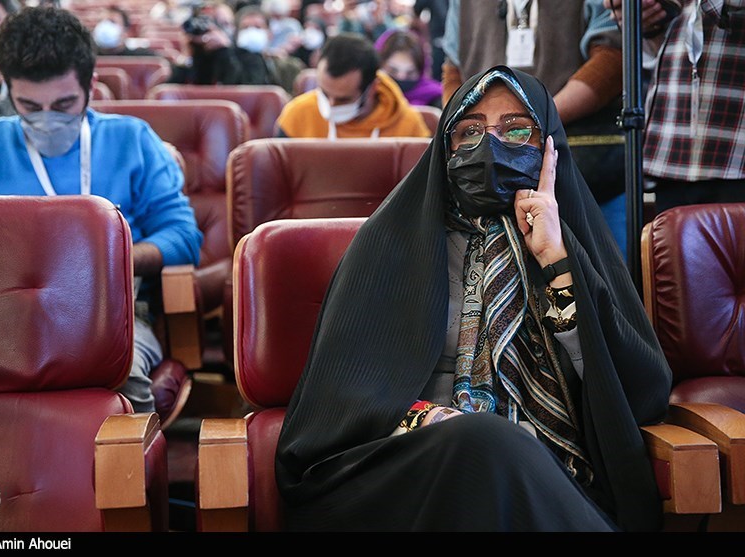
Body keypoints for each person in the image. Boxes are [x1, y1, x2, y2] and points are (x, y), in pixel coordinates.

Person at [274, 65, 673, 532]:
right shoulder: (391, 246)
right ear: (445, 149)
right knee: (484, 441)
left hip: (551, 473)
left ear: (550, 150)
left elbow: (639, 394)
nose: (489, 146)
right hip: (405, 465)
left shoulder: (572, 250)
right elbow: (339, 403)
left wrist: (556, 261)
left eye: (516, 129)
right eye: (469, 131)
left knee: (500, 454)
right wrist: (433, 421)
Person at [0, 6, 203, 414]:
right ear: (6, 88)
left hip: (108, 315)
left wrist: (107, 261)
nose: (47, 119)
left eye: (64, 104)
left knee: (114, 379)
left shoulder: (131, 139)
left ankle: (126, 472)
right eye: (29, 105)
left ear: (90, 86)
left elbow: (184, 237)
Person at [440, 0, 629, 256]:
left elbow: (613, 55)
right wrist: (476, 127)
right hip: (483, 173)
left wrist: (537, 121)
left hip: (584, 166)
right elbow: (453, 69)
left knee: (598, 271)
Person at [605, 0, 745, 214]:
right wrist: (649, 22)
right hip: (672, 149)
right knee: (669, 245)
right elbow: (667, 48)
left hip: (733, 148)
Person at [275, 32, 431, 139]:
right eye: (324, 92)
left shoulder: (409, 126)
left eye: (343, 99)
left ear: (372, 88)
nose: (330, 105)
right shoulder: (297, 115)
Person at [168, 3, 304, 94]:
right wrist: (189, 54)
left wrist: (226, 51)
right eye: (245, 27)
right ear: (237, 33)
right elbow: (175, 93)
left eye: (257, 27)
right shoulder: (212, 56)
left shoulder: (286, 64)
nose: (251, 32)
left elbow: (243, 93)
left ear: (269, 33)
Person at [376, 28, 442, 108]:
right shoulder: (367, 101)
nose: (401, 77)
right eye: (392, 71)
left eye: (410, 73)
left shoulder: (437, 100)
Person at [91, 5, 157, 56]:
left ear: (125, 31)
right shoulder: (86, 58)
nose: (105, 26)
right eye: (100, 21)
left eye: (112, 22)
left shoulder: (143, 58)